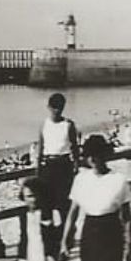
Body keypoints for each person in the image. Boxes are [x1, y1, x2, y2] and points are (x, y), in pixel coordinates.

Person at [33, 92, 80, 220]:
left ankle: (66, 235)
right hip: (48, 166)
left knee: (64, 204)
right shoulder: (44, 124)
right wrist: (38, 171)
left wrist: (76, 166)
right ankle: (50, 236)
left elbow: (74, 147)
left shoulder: (69, 124)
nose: (57, 110)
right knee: (46, 204)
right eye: (54, 107)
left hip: (64, 166)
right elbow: (41, 149)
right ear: (48, 107)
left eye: (60, 107)